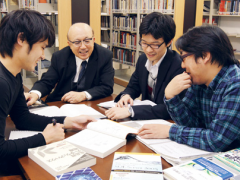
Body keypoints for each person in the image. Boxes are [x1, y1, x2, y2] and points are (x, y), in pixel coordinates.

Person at [0, 10, 96, 175]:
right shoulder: (1, 83)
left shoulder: (13, 76)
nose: (43, 56)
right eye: (42, 47)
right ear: (21, 39)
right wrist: (44, 138)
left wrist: (68, 121)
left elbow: (23, 118)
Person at [138, 25, 240, 152]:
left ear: (204, 56)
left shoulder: (235, 84)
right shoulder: (199, 80)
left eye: (184, 58)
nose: (182, 65)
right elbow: (189, 123)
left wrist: (170, 131)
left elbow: (216, 140)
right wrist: (171, 97)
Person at [105, 12, 184, 120]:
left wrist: (131, 111)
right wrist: (126, 96)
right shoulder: (143, 60)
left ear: (169, 42)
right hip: (145, 120)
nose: (148, 50)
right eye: (144, 43)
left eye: (155, 45)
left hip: (167, 122)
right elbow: (133, 86)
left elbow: (172, 108)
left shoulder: (179, 66)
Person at [25, 22, 114, 105]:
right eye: (77, 42)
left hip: (89, 103)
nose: (83, 47)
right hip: (61, 102)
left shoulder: (105, 56)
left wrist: (83, 95)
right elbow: (47, 82)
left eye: (87, 40)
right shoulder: (59, 57)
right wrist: (34, 94)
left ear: (93, 40)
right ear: (69, 44)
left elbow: (107, 87)